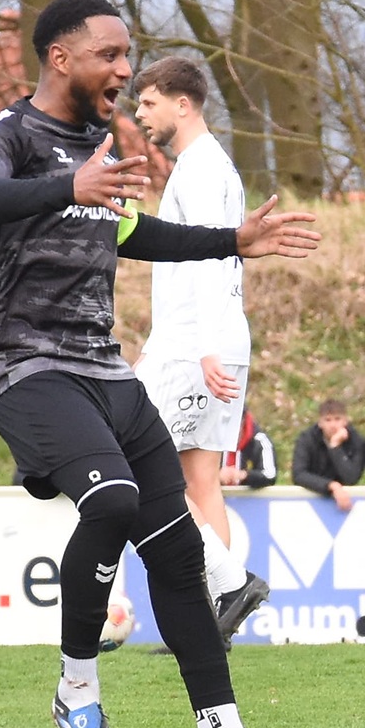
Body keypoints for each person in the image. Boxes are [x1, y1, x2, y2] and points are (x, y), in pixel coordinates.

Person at [0, 0, 321, 728]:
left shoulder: (99, 143)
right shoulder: (7, 134)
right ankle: (76, 691)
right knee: (115, 501)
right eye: (110, 55)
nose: (125, 70)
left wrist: (232, 239)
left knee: (177, 549)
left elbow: (128, 231)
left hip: (106, 368)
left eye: (128, 56)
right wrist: (68, 187)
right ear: (60, 57)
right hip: (26, 366)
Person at [131, 55, 272, 642]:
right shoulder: (208, 165)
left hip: (194, 347)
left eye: (149, 102)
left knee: (134, 462)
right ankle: (220, 612)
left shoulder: (201, 168)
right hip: (200, 341)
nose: (140, 114)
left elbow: (215, 255)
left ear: (182, 104)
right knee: (200, 481)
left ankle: (229, 586)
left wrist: (207, 347)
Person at [291, 400, 365, 509]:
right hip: (312, 497)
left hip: (344, 502)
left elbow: (352, 478)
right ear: (320, 423)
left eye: (337, 419)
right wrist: (331, 486)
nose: (333, 425)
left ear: (345, 421)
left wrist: (335, 447)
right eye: (328, 420)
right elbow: (299, 474)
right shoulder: (307, 439)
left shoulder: (356, 440)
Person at [224, 410, 276, 489]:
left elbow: (270, 475)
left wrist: (244, 475)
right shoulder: (209, 438)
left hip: (245, 495)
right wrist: (216, 476)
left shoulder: (259, 439)